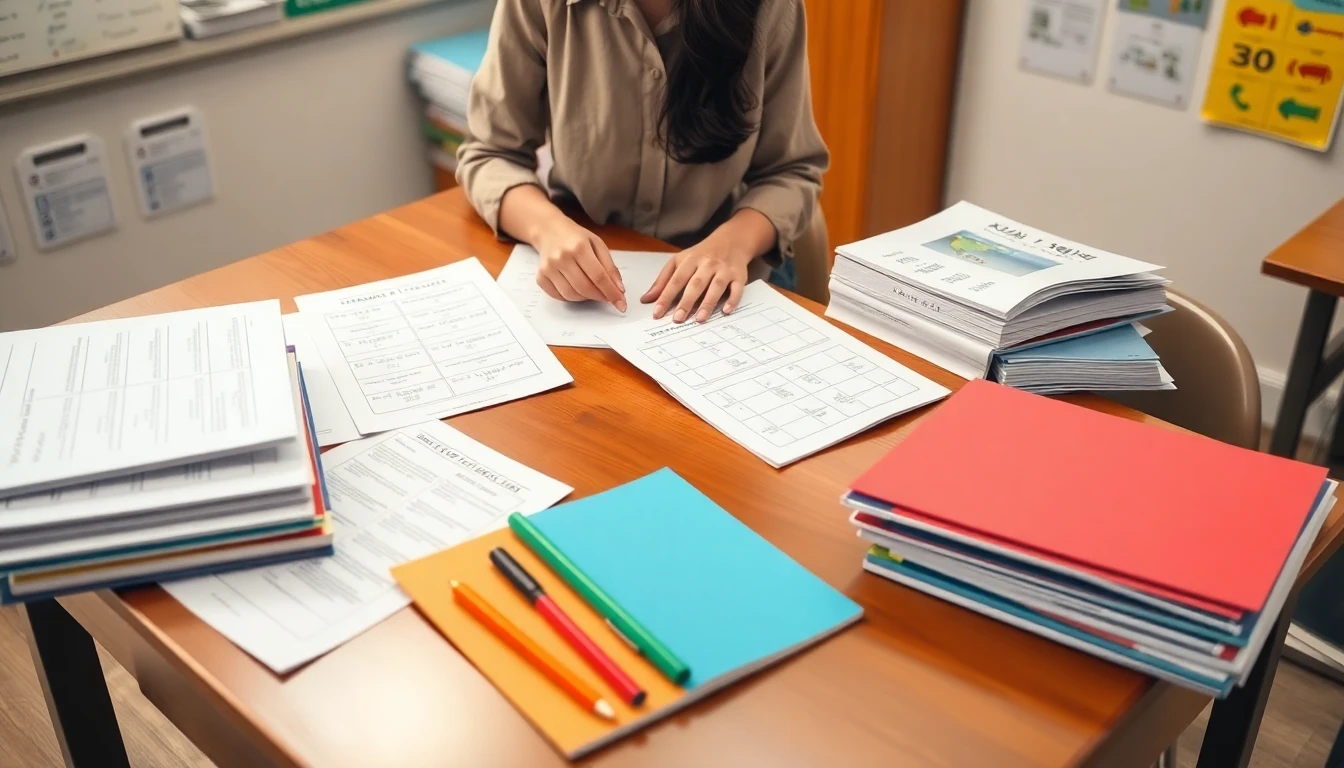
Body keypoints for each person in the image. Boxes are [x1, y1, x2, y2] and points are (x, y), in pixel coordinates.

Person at [457, 0, 828, 324]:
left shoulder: (771, 7)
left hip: (722, 294)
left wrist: (733, 243)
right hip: (587, 291)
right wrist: (548, 228)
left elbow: (791, 171)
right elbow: (490, 153)